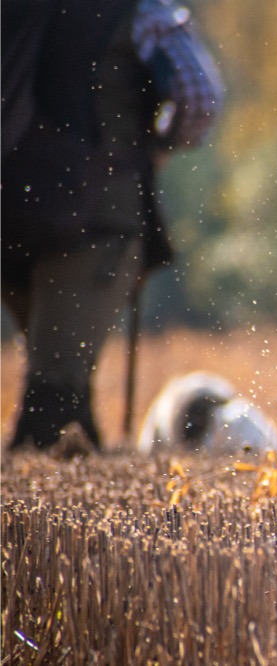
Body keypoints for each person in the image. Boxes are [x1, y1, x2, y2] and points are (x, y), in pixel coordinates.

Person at [2, 0, 221, 450]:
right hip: (97, 215)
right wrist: (157, 150)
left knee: (52, 373)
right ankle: (54, 504)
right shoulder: (142, 10)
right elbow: (199, 98)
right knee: (57, 390)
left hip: (11, 213)